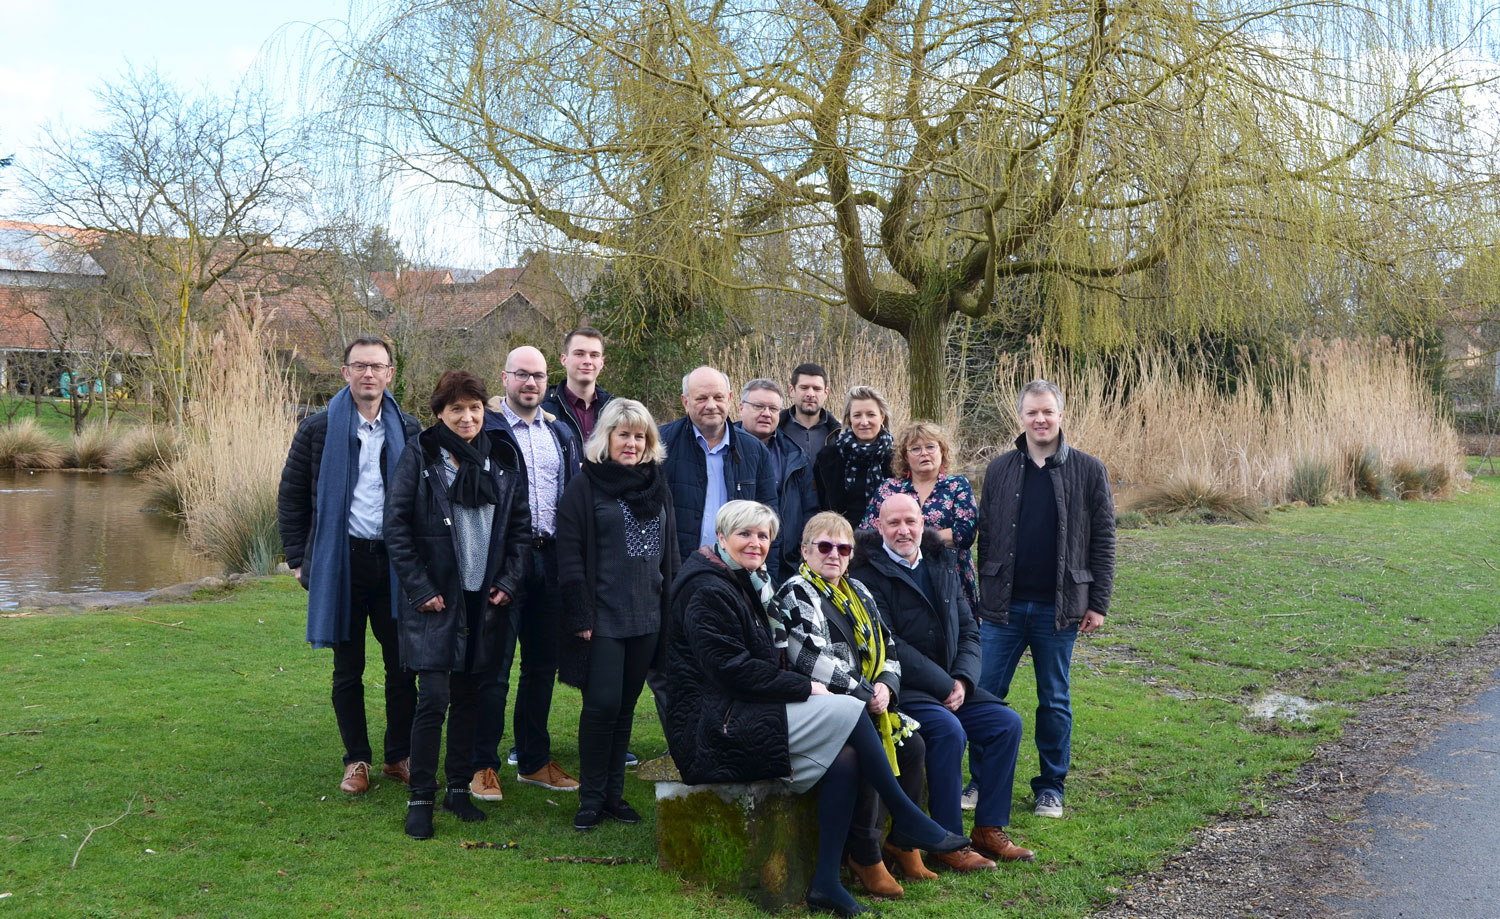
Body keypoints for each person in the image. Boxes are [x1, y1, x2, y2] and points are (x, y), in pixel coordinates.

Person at [661, 500, 970, 917]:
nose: (756, 543)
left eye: (763, 536)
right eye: (745, 534)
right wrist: (807, 686)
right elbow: (732, 671)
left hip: (743, 708)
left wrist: (883, 686)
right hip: (714, 726)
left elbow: (887, 645)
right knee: (847, 711)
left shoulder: (750, 581)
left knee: (844, 757)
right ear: (720, 537)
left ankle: (825, 882)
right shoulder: (708, 589)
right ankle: (904, 816)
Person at [384, 370, 531, 839]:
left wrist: (509, 579)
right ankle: (421, 798)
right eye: (456, 410)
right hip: (437, 598)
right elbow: (397, 528)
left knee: (471, 698)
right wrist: (421, 589)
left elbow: (520, 529)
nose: (467, 417)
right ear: (440, 414)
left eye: (474, 408)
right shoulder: (421, 455)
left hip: (485, 597)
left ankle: (459, 792)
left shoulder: (504, 456)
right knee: (434, 699)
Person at [851, 494, 1035, 869]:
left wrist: (964, 680)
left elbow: (968, 627)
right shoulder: (866, 573)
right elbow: (891, 643)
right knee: (949, 732)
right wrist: (944, 684)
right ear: (879, 527)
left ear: (923, 523)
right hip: (907, 688)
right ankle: (946, 838)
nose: (903, 530)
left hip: (953, 684)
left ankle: (988, 828)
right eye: (893, 523)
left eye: (910, 522)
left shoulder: (941, 560)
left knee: (1006, 724)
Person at [277, 336, 419, 795]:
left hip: (395, 565)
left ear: (390, 374)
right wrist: (299, 559)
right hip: (343, 565)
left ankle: (399, 756)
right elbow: (291, 496)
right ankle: (356, 759)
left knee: (403, 667)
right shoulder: (317, 429)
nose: (368, 374)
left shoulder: (410, 430)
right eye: (359, 366)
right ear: (345, 372)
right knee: (348, 667)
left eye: (377, 366)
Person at [975, 379, 1115, 819]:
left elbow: (1104, 539)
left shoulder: (1089, 470)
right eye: (1032, 412)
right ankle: (980, 781)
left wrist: (1098, 602)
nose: (1040, 419)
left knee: (1054, 699)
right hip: (1003, 608)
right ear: (1021, 417)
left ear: (1060, 415)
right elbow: (986, 537)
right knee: (986, 695)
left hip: (1060, 609)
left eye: (1047, 412)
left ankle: (1050, 787)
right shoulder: (999, 469)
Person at [774, 512, 932, 899]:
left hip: (869, 698)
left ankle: (905, 841)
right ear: (805, 550)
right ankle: (865, 853)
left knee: (913, 746)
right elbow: (809, 658)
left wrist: (886, 687)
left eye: (843, 548)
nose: (834, 555)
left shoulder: (858, 591)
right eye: (824, 547)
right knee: (862, 750)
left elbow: (888, 645)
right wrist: (865, 693)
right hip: (830, 703)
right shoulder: (795, 591)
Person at [555, 398, 678, 830]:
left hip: (647, 616)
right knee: (602, 705)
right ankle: (589, 799)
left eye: (639, 436)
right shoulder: (584, 486)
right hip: (602, 617)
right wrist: (579, 615)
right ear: (606, 437)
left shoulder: (657, 485)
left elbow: (670, 556)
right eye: (623, 434)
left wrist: (671, 613)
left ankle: (613, 797)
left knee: (625, 707)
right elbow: (568, 555)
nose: (631, 443)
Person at [469, 346, 583, 802]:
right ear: (504, 378)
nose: (530, 383)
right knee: (493, 670)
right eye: (521, 375)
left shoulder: (559, 435)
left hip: (550, 559)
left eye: (538, 376)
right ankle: (482, 765)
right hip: (505, 564)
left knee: (541, 667)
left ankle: (534, 762)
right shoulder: (487, 431)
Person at [659, 366, 779, 575]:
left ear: (730, 398)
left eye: (718, 397)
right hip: (675, 574)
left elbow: (770, 525)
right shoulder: (661, 444)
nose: (711, 405)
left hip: (736, 576)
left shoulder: (755, 452)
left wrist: (769, 583)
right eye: (701, 398)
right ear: (685, 402)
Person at [861, 422, 979, 609]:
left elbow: (964, 534)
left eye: (930, 447)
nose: (924, 453)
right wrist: (939, 536)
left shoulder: (957, 485)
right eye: (915, 449)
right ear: (905, 456)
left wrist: (907, 539)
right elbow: (868, 534)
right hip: (900, 578)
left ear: (942, 451)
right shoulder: (889, 488)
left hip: (952, 577)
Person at [734, 378, 817, 579]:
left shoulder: (795, 456)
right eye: (759, 406)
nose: (766, 413)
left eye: (773, 408)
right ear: (741, 408)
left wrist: (799, 556)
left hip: (786, 564)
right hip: (736, 560)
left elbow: (809, 510)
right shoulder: (725, 449)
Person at [814, 386, 894, 527]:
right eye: (857, 415)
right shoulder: (828, 458)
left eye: (870, 414)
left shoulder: (898, 458)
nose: (864, 422)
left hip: (887, 538)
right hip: (840, 539)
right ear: (849, 419)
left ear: (882, 417)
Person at [541, 326, 613, 445]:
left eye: (594, 355)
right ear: (564, 359)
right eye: (579, 354)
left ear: (602, 363)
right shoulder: (543, 411)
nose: (587, 361)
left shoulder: (614, 411)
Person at [779, 362, 840, 458]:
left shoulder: (838, 434)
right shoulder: (774, 431)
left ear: (826, 393)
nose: (810, 394)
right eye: (804, 388)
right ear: (792, 390)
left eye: (817, 389)